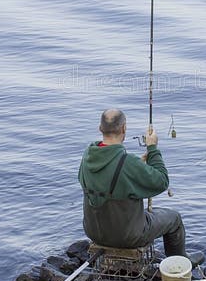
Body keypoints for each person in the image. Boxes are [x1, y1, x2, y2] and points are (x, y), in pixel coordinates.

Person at [78, 108, 186, 257]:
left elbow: (105, 180)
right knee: (174, 219)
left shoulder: (87, 157)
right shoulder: (128, 163)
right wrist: (152, 148)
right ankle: (179, 266)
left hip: (93, 232)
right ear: (124, 128)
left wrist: (138, 168)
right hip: (128, 237)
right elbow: (162, 181)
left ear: (100, 128)